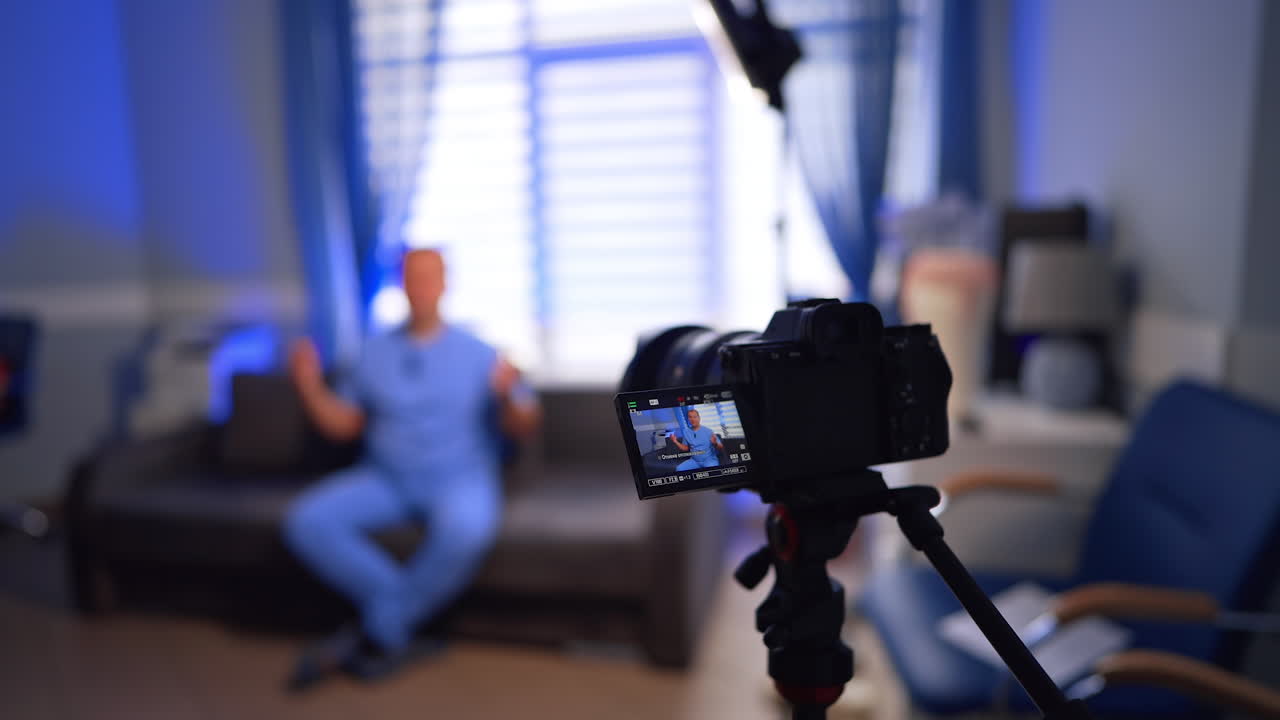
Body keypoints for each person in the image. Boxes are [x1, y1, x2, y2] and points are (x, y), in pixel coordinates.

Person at [282, 248, 540, 689]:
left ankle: (377, 629)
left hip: (459, 478)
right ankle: (398, 619)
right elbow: (344, 426)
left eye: (430, 277)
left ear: (445, 284)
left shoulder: (480, 352)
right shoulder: (371, 352)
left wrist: (507, 393)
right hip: (385, 478)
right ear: (401, 285)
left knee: (467, 530)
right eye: (412, 277)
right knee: (306, 521)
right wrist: (308, 385)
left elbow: (525, 423)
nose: (421, 287)